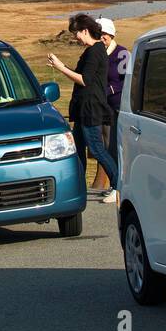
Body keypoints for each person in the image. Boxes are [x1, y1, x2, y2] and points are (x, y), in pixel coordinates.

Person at [48, 13, 118, 203]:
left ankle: (118, 185)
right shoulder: (91, 51)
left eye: (76, 33)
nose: (75, 37)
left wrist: (61, 67)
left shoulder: (96, 50)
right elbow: (82, 74)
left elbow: (84, 79)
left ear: (85, 30)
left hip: (91, 108)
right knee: (78, 149)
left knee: (96, 148)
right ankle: (78, 187)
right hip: (82, 108)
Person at [98, 17, 130, 188]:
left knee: (117, 146)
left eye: (105, 34)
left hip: (119, 107)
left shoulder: (122, 53)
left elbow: (125, 81)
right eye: (99, 34)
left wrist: (107, 90)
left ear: (111, 34)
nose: (102, 37)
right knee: (107, 147)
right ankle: (115, 185)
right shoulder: (98, 53)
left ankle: (118, 186)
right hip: (104, 108)